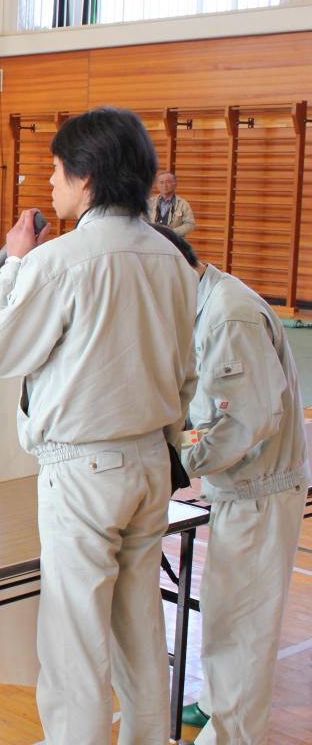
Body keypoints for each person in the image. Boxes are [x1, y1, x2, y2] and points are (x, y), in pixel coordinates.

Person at [0, 107, 197, 745]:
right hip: (152, 462)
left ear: (87, 177)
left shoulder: (60, 261)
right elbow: (186, 373)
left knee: (73, 645)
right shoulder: (172, 260)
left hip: (83, 469)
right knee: (138, 632)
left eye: (56, 168)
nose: (49, 182)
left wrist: (13, 264)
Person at [150, 225, 308, 744]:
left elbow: (248, 421)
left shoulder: (228, 315)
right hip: (239, 488)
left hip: (261, 491)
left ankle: (233, 734)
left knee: (243, 629)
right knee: (223, 613)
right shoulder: (205, 306)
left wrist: (179, 463)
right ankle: (216, 702)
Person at [148, 171, 196, 237]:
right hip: (153, 240)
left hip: (174, 242)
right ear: (157, 185)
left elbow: (190, 224)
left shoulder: (183, 204)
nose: (164, 185)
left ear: (175, 184)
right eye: (161, 182)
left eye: (168, 182)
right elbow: (141, 221)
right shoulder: (149, 203)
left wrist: (172, 232)